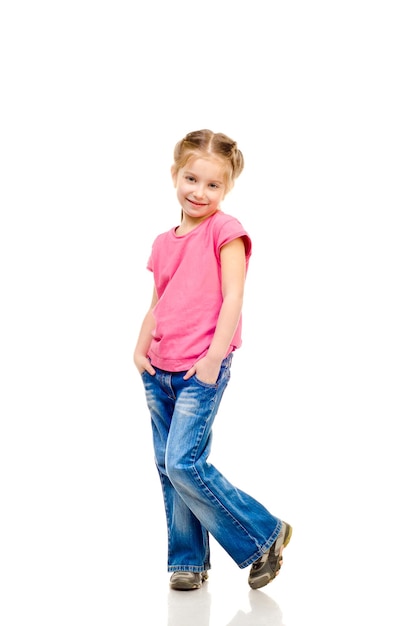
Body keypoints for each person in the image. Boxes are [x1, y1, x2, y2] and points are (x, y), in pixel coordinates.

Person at [133, 129, 292, 591]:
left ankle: (265, 532)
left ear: (227, 189)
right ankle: (187, 561)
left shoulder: (226, 231)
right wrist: (140, 347)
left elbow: (234, 296)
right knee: (170, 468)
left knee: (185, 462)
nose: (199, 192)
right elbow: (159, 298)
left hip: (200, 368)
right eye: (191, 179)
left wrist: (213, 357)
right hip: (158, 367)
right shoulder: (164, 241)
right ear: (174, 175)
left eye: (213, 185)